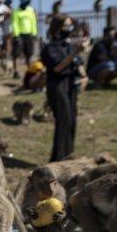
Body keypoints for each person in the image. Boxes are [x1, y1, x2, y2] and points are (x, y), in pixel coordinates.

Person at [41, 15, 83, 162]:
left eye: (70, 25)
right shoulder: (50, 48)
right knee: (63, 121)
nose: (69, 29)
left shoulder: (68, 45)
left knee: (71, 120)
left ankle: (68, 155)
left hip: (70, 85)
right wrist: (75, 53)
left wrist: (84, 76)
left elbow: (77, 64)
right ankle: (58, 159)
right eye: (66, 25)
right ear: (57, 27)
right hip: (57, 86)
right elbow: (58, 68)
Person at [11, 0, 37, 75]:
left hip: (29, 34)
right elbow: (14, 23)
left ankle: (29, 71)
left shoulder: (30, 10)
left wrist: (34, 33)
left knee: (29, 54)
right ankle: (16, 71)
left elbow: (33, 22)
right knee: (16, 54)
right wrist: (16, 35)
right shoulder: (16, 11)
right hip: (19, 35)